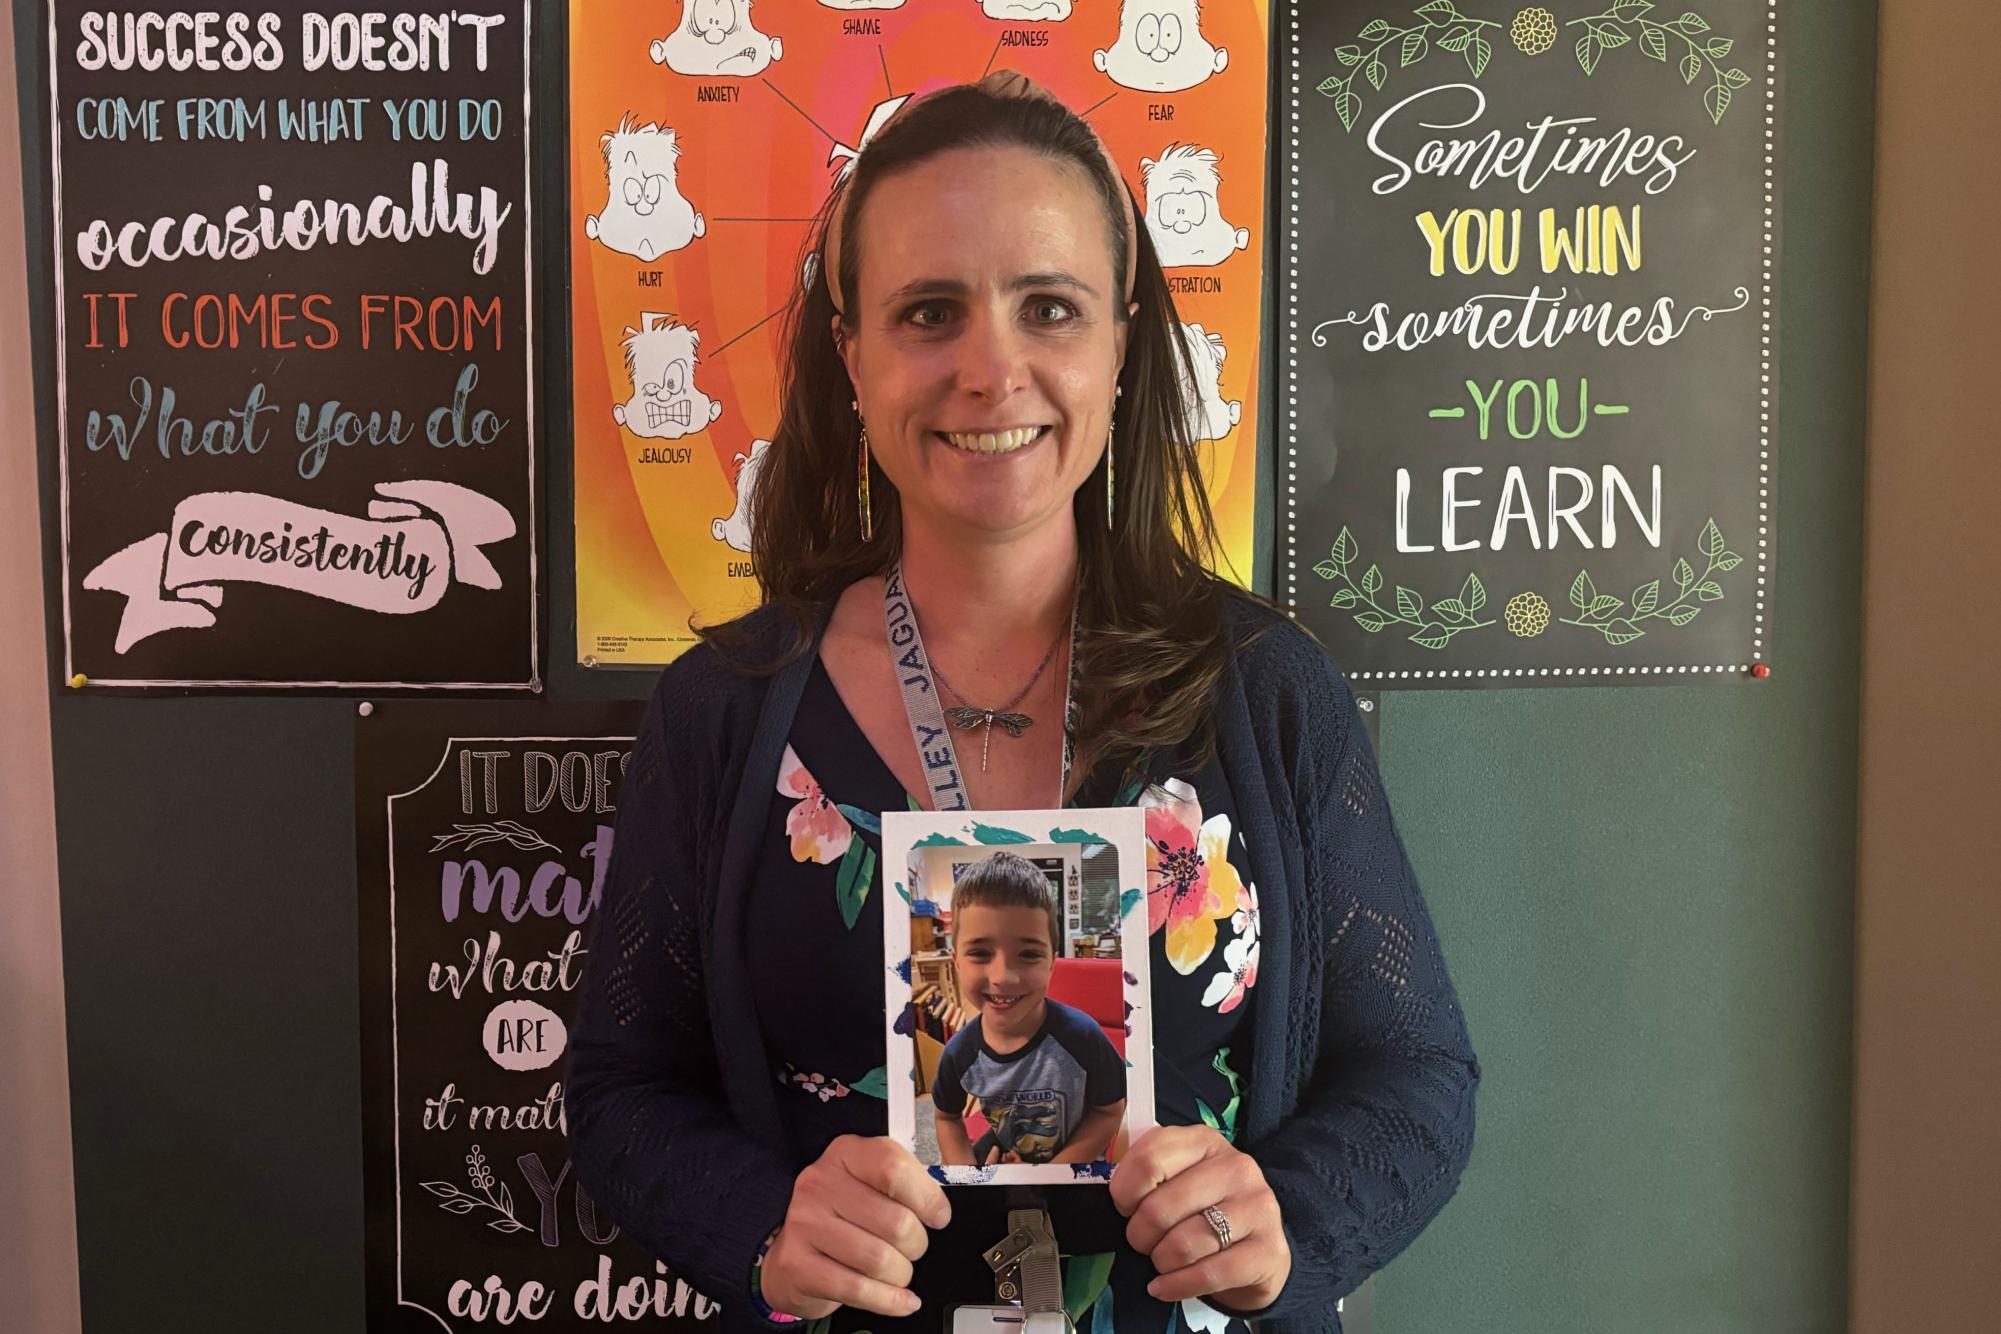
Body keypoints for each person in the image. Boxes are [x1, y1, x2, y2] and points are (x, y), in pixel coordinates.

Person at [566, 71, 1479, 1334]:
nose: (991, 369)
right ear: (851, 355)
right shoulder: (725, 710)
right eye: (928, 312)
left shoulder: (1267, 691)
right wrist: (764, 1220)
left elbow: (1420, 1074)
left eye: (1049, 307)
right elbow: (620, 1089)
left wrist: (1292, 1220)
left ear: (1119, 344)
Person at [930, 851, 1127, 1168]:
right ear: (956, 962)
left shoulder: (1083, 1037)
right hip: (1002, 1159)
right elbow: (946, 1117)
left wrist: (1048, 1176)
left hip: (1074, 1166)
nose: (1003, 977)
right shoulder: (959, 1053)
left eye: (1028, 954)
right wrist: (971, 1179)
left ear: (1052, 961)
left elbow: (1109, 1111)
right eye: (980, 953)